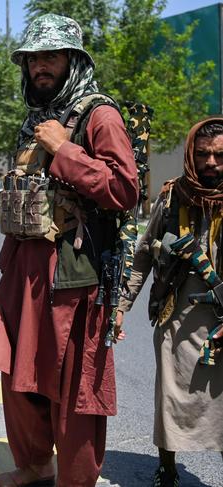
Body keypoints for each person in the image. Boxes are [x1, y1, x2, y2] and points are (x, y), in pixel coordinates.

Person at [0, 14, 138, 487]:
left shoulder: (99, 116)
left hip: (72, 275)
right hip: (22, 270)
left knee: (74, 390)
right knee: (15, 374)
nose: (39, 68)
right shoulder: (36, 118)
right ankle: (34, 466)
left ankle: (74, 480)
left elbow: (125, 189)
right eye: (32, 60)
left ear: (73, 60)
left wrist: (66, 150)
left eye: (49, 57)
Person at [117, 118, 223, 486]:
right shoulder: (172, 196)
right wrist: (121, 306)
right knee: (171, 393)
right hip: (177, 312)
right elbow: (144, 255)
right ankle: (167, 466)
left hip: (221, 315)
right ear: (191, 156)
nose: (211, 163)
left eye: (220, 156)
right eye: (203, 154)